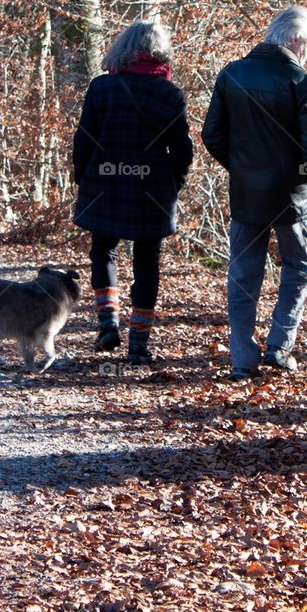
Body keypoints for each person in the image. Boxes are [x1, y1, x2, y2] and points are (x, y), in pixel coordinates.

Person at [202, 5, 307, 379]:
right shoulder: (302, 82)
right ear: (295, 39)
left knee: (243, 273)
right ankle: (279, 344)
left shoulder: (232, 74)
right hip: (290, 198)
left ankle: (242, 357)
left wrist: (244, 169)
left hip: (247, 194)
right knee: (298, 267)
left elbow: (212, 135)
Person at [73, 20, 193, 365]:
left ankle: (108, 322)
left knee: (103, 252)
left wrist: (84, 179)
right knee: (147, 264)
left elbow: (84, 139)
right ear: (160, 52)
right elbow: (182, 152)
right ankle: (138, 344)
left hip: (104, 185)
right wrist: (174, 185)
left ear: (122, 48)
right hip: (152, 191)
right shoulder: (169, 95)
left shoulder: (102, 88)